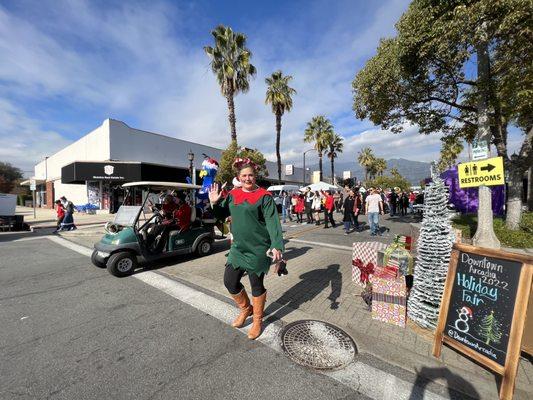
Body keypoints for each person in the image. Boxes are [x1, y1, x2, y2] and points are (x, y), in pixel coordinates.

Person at [209, 158, 284, 340]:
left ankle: (257, 319)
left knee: (256, 285)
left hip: (258, 249)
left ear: (255, 176)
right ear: (239, 177)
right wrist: (214, 203)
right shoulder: (233, 194)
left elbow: (272, 222)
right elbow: (220, 215)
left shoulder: (264, 196)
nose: (247, 178)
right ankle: (246, 309)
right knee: (230, 281)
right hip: (238, 248)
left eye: (250, 175)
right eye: (244, 175)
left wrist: (276, 245)